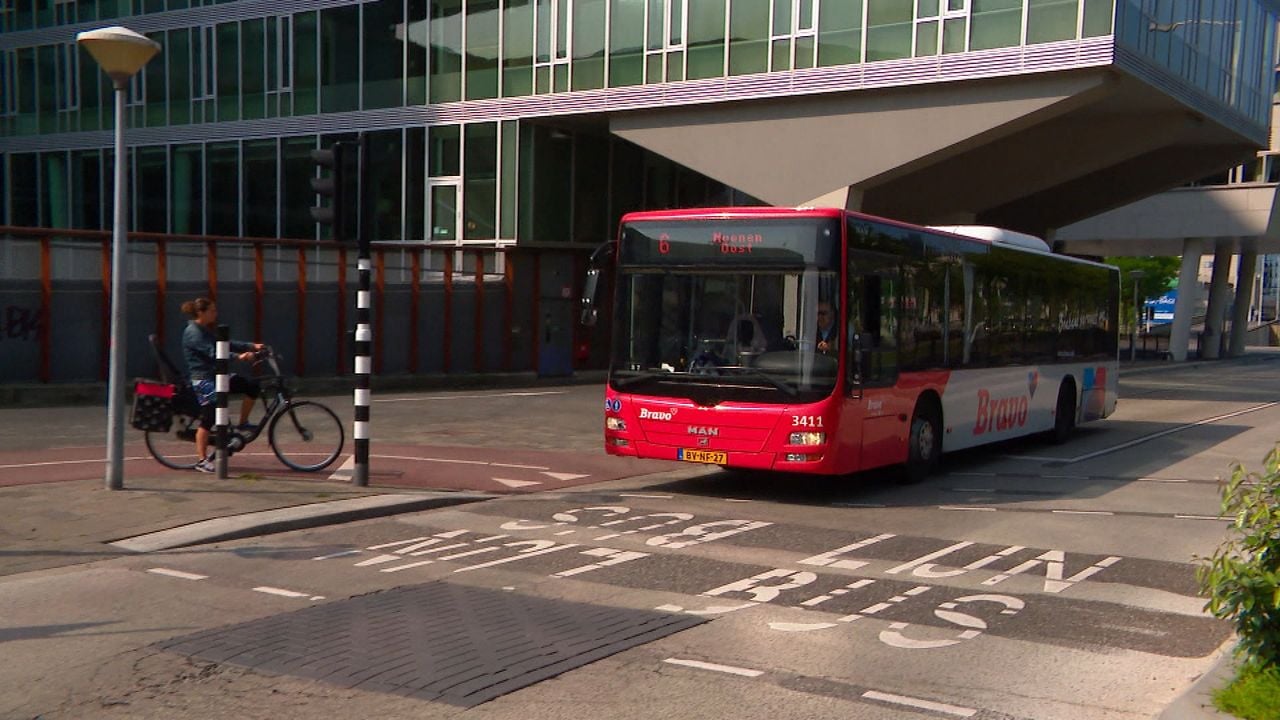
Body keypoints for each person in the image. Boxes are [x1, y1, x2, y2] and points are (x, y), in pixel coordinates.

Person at [180, 297, 263, 473]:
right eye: (212, 310)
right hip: (203, 379)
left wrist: (251, 346)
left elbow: (226, 343)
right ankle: (201, 460)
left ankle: (243, 423)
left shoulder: (205, 329)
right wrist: (239, 357)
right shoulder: (193, 332)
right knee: (210, 415)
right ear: (201, 313)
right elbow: (214, 352)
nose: (215, 313)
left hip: (218, 375)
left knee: (251, 385)